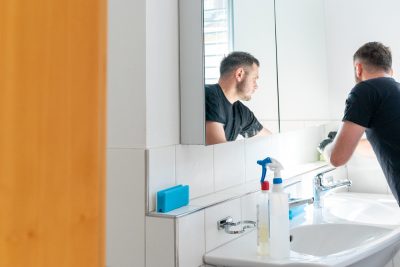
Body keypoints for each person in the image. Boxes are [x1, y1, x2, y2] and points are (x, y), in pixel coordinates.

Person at [322, 42, 400, 206]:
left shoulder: (365, 90)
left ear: (358, 68)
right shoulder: (395, 91)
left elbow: (337, 159)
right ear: (390, 70)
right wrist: (348, 142)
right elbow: (383, 146)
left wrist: (327, 147)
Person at [205, 51, 271, 145]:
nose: (256, 86)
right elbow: (217, 151)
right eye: (254, 79)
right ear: (239, 74)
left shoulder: (241, 111)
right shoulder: (209, 96)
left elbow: (270, 139)